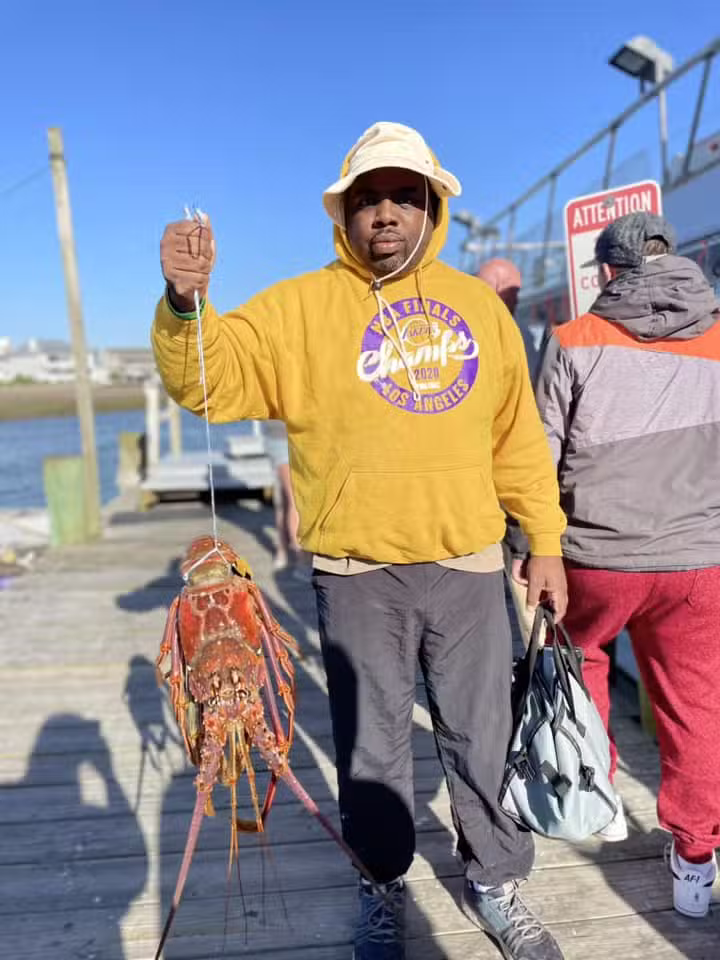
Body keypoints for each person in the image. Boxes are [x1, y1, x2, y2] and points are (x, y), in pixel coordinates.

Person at [153, 121, 568, 960]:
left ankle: (494, 882)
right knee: (372, 748)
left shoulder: (481, 309)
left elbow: (519, 437)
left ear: (431, 206)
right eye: (368, 198)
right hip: (356, 572)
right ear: (343, 213)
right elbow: (210, 377)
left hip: (469, 562)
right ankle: (383, 885)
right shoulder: (299, 307)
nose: (385, 212)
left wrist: (547, 541)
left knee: (480, 735)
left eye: (403, 196)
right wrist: (185, 304)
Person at [535, 211, 720, 919]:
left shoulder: (575, 339)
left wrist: (530, 548)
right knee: (696, 704)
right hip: (700, 560)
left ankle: (601, 800)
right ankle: (696, 861)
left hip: (597, 554)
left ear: (607, 272)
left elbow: (539, 456)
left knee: (582, 665)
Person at [476, 258, 537, 650]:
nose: (516, 300)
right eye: (513, 293)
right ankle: (539, 684)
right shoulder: (522, 339)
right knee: (523, 597)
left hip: (483, 491)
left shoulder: (460, 335)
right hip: (498, 492)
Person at [259, 420, 302, 571]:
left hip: (291, 438)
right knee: (293, 498)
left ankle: (283, 551)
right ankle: (299, 556)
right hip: (281, 439)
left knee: (284, 501)